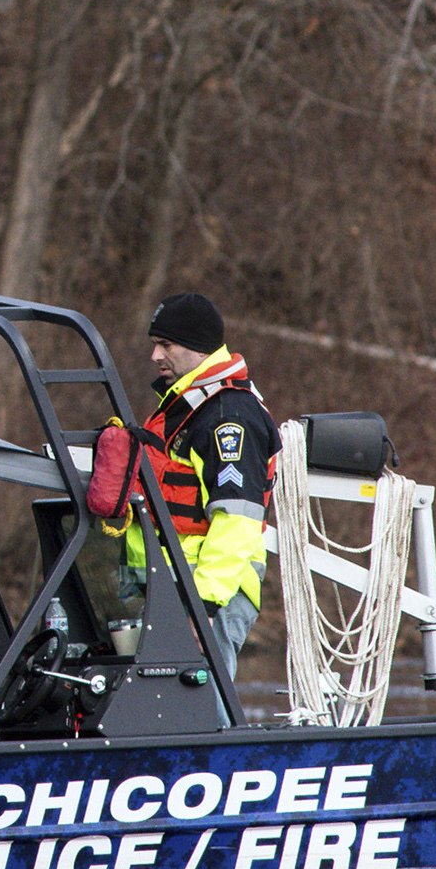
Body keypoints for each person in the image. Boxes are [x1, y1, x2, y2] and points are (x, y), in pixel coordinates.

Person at [119, 292, 276, 682]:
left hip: (205, 595)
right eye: (155, 344)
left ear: (198, 348)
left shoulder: (227, 417)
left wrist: (202, 604)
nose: (156, 356)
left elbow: (237, 520)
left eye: (165, 345)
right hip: (170, 588)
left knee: (201, 711)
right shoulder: (188, 406)